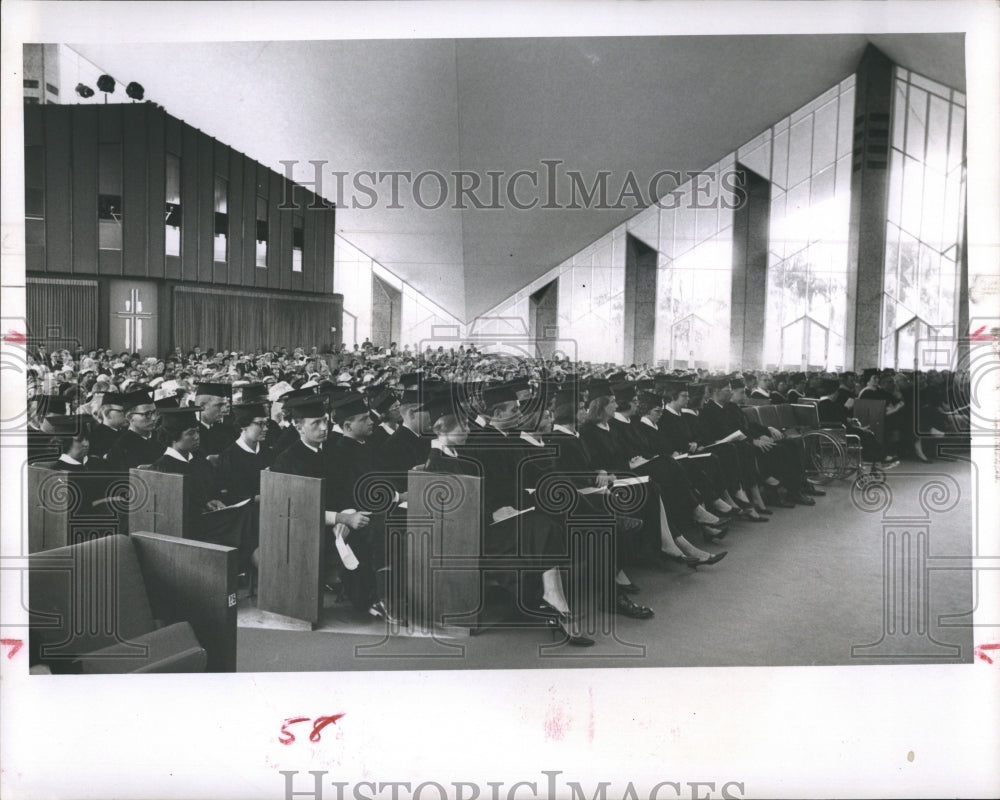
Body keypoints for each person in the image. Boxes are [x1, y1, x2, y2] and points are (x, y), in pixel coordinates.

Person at [105, 390, 166, 470]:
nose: (154, 418)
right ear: (129, 417)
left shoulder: (162, 438)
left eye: (155, 412)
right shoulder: (121, 447)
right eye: (147, 414)